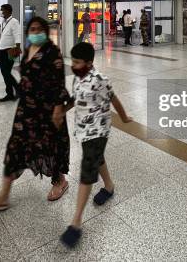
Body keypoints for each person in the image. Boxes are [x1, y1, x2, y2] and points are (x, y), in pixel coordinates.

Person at [0, 17, 70, 212]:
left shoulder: (52, 53)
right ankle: (3, 196)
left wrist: (58, 109)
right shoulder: (28, 50)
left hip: (47, 112)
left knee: (50, 148)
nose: (36, 32)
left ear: (45, 31)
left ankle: (60, 180)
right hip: (26, 111)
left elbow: (59, 83)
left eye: (39, 29)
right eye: (32, 29)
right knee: (15, 148)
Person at [59, 42, 133, 247]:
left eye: (77, 62)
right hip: (83, 131)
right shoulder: (77, 77)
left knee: (87, 169)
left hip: (99, 131)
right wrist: (61, 112)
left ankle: (76, 222)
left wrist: (125, 118)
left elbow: (114, 99)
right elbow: (75, 99)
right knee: (97, 159)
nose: (73, 65)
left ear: (89, 63)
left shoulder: (100, 79)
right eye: (72, 61)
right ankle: (109, 187)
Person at [0, 4, 21, 102]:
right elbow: (2, 37)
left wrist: (17, 50)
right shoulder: (3, 22)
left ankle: (16, 90)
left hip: (10, 51)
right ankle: (10, 93)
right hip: (2, 51)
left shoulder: (14, 22)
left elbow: (17, 36)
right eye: (1, 10)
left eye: (2, 10)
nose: (1, 12)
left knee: (6, 72)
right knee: (5, 72)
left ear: (8, 11)